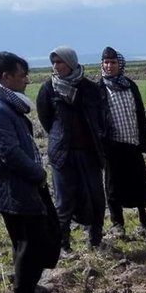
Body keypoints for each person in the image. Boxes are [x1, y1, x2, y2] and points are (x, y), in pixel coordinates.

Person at [0, 51, 60, 293]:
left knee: (30, 240)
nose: (27, 80)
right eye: (22, 75)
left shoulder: (2, 102)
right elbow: (9, 153)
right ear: (6, 77)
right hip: (15, 188)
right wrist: (37, 173)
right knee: (30, 242)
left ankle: (28, 287)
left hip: (22, 185)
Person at [37, 46, 109, 251]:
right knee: (64, 201)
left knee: (96, 197)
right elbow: (46, 119)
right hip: (63, 154)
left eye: (60, 61)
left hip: (89, 152)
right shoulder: (48, 89)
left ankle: (95, 239)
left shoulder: (89, 88)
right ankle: (64, 245)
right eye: (54, 62)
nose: (56, 66)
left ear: (71, 62)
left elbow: (100, 116)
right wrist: (61, 136)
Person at [98, 47, 146, 237]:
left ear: (119, 64)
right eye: (106, 62)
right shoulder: (99, 89)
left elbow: (140, 113)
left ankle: (145, 220)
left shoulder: (130, 85)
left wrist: (143, 140)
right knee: (113, 186)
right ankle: (117, 224)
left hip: (132, 142)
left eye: (113, 62)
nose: (109, 66)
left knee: (139, 182)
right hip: (111, 145)